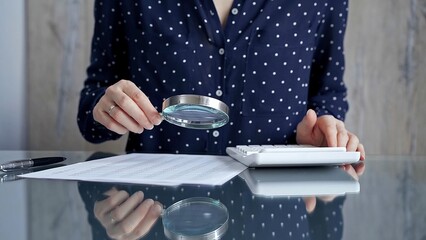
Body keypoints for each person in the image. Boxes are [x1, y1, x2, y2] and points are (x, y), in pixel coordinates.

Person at [77, 0, 365, 174]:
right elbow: (92, 108)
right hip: (155, 212)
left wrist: (325, 136)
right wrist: (106, 109)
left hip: (278, 216)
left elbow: (329, 95)